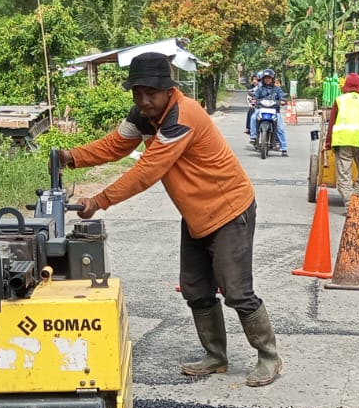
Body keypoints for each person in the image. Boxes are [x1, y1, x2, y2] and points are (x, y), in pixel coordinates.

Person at [58, 51, 282, 386]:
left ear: (168, 89)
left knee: (236, 291)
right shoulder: (142, 116)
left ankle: (269, 357)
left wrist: (100, 200)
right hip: (195, 214)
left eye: (151, 93)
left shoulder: (183, 116)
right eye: (138, 93)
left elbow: (147, 171)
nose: (145, 101)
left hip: (229, 210)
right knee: (195, 288)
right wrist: (70, 157)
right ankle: (216, 356)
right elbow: (115, 145)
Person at [323, 72, 359, 207]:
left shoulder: (340, 100)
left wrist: (328, 144)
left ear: (345, 87)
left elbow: (331, 124)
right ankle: (357, 201)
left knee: (344, 177)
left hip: (342, 142)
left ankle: (350, 204)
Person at [245, 69, 288, 156]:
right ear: (263, 79)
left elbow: (282, 96)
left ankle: (284, 148)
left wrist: (282, 100)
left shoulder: (277, 89)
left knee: (280, 128)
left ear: (272, 79)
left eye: (269, 78)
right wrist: (254, 99)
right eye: (266, 78)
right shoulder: (260, 89)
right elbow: (255, 96)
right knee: (253, 117)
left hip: (275, 111)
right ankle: (253, 136)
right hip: (261, 109)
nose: (267, 80)